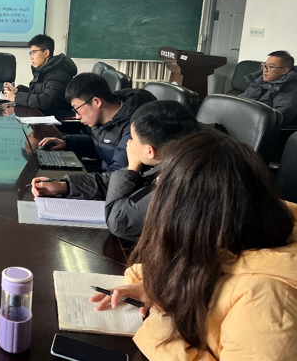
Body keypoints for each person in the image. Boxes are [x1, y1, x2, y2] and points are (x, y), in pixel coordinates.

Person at [90, 130, 297, 360]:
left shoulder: (267, 299)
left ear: (189, 218)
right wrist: (155, 288)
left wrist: (162, 329)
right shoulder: (231, 240)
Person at [32, 100, 198, 242]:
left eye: (133, 139)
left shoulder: (181, 183)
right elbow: (116, 182)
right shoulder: (175, 157)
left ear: (150, 151)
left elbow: (119, 222)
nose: (129, 144)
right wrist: (66, 186)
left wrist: (132, 167)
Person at [39, 73, 156, 172]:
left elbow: (117, 174)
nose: (77, 116)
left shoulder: (132, 128)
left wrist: (68, 184)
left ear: (96, 102)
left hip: (114, 183)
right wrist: (67, 142)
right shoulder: (102, 118)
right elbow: (102, 144)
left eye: (77, 109)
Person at [3, 34, 77, 116]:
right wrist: (17, 91)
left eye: (34, 52)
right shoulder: (46, 70)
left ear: (46, 53)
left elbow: (47, 101)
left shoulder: (58, 74)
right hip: (43, 116)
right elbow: (39, 94)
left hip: (56, 120)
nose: (31, 57)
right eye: (30, 53)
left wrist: (16, 98)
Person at [239, 50, 297, 126]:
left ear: (284, 70)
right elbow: (239, 102)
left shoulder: (290, 90)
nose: (265, 70)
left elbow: (277, 119)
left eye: (270, 66)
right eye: (264, 65)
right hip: (240, 120)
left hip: (256, 127)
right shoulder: (258, 83)